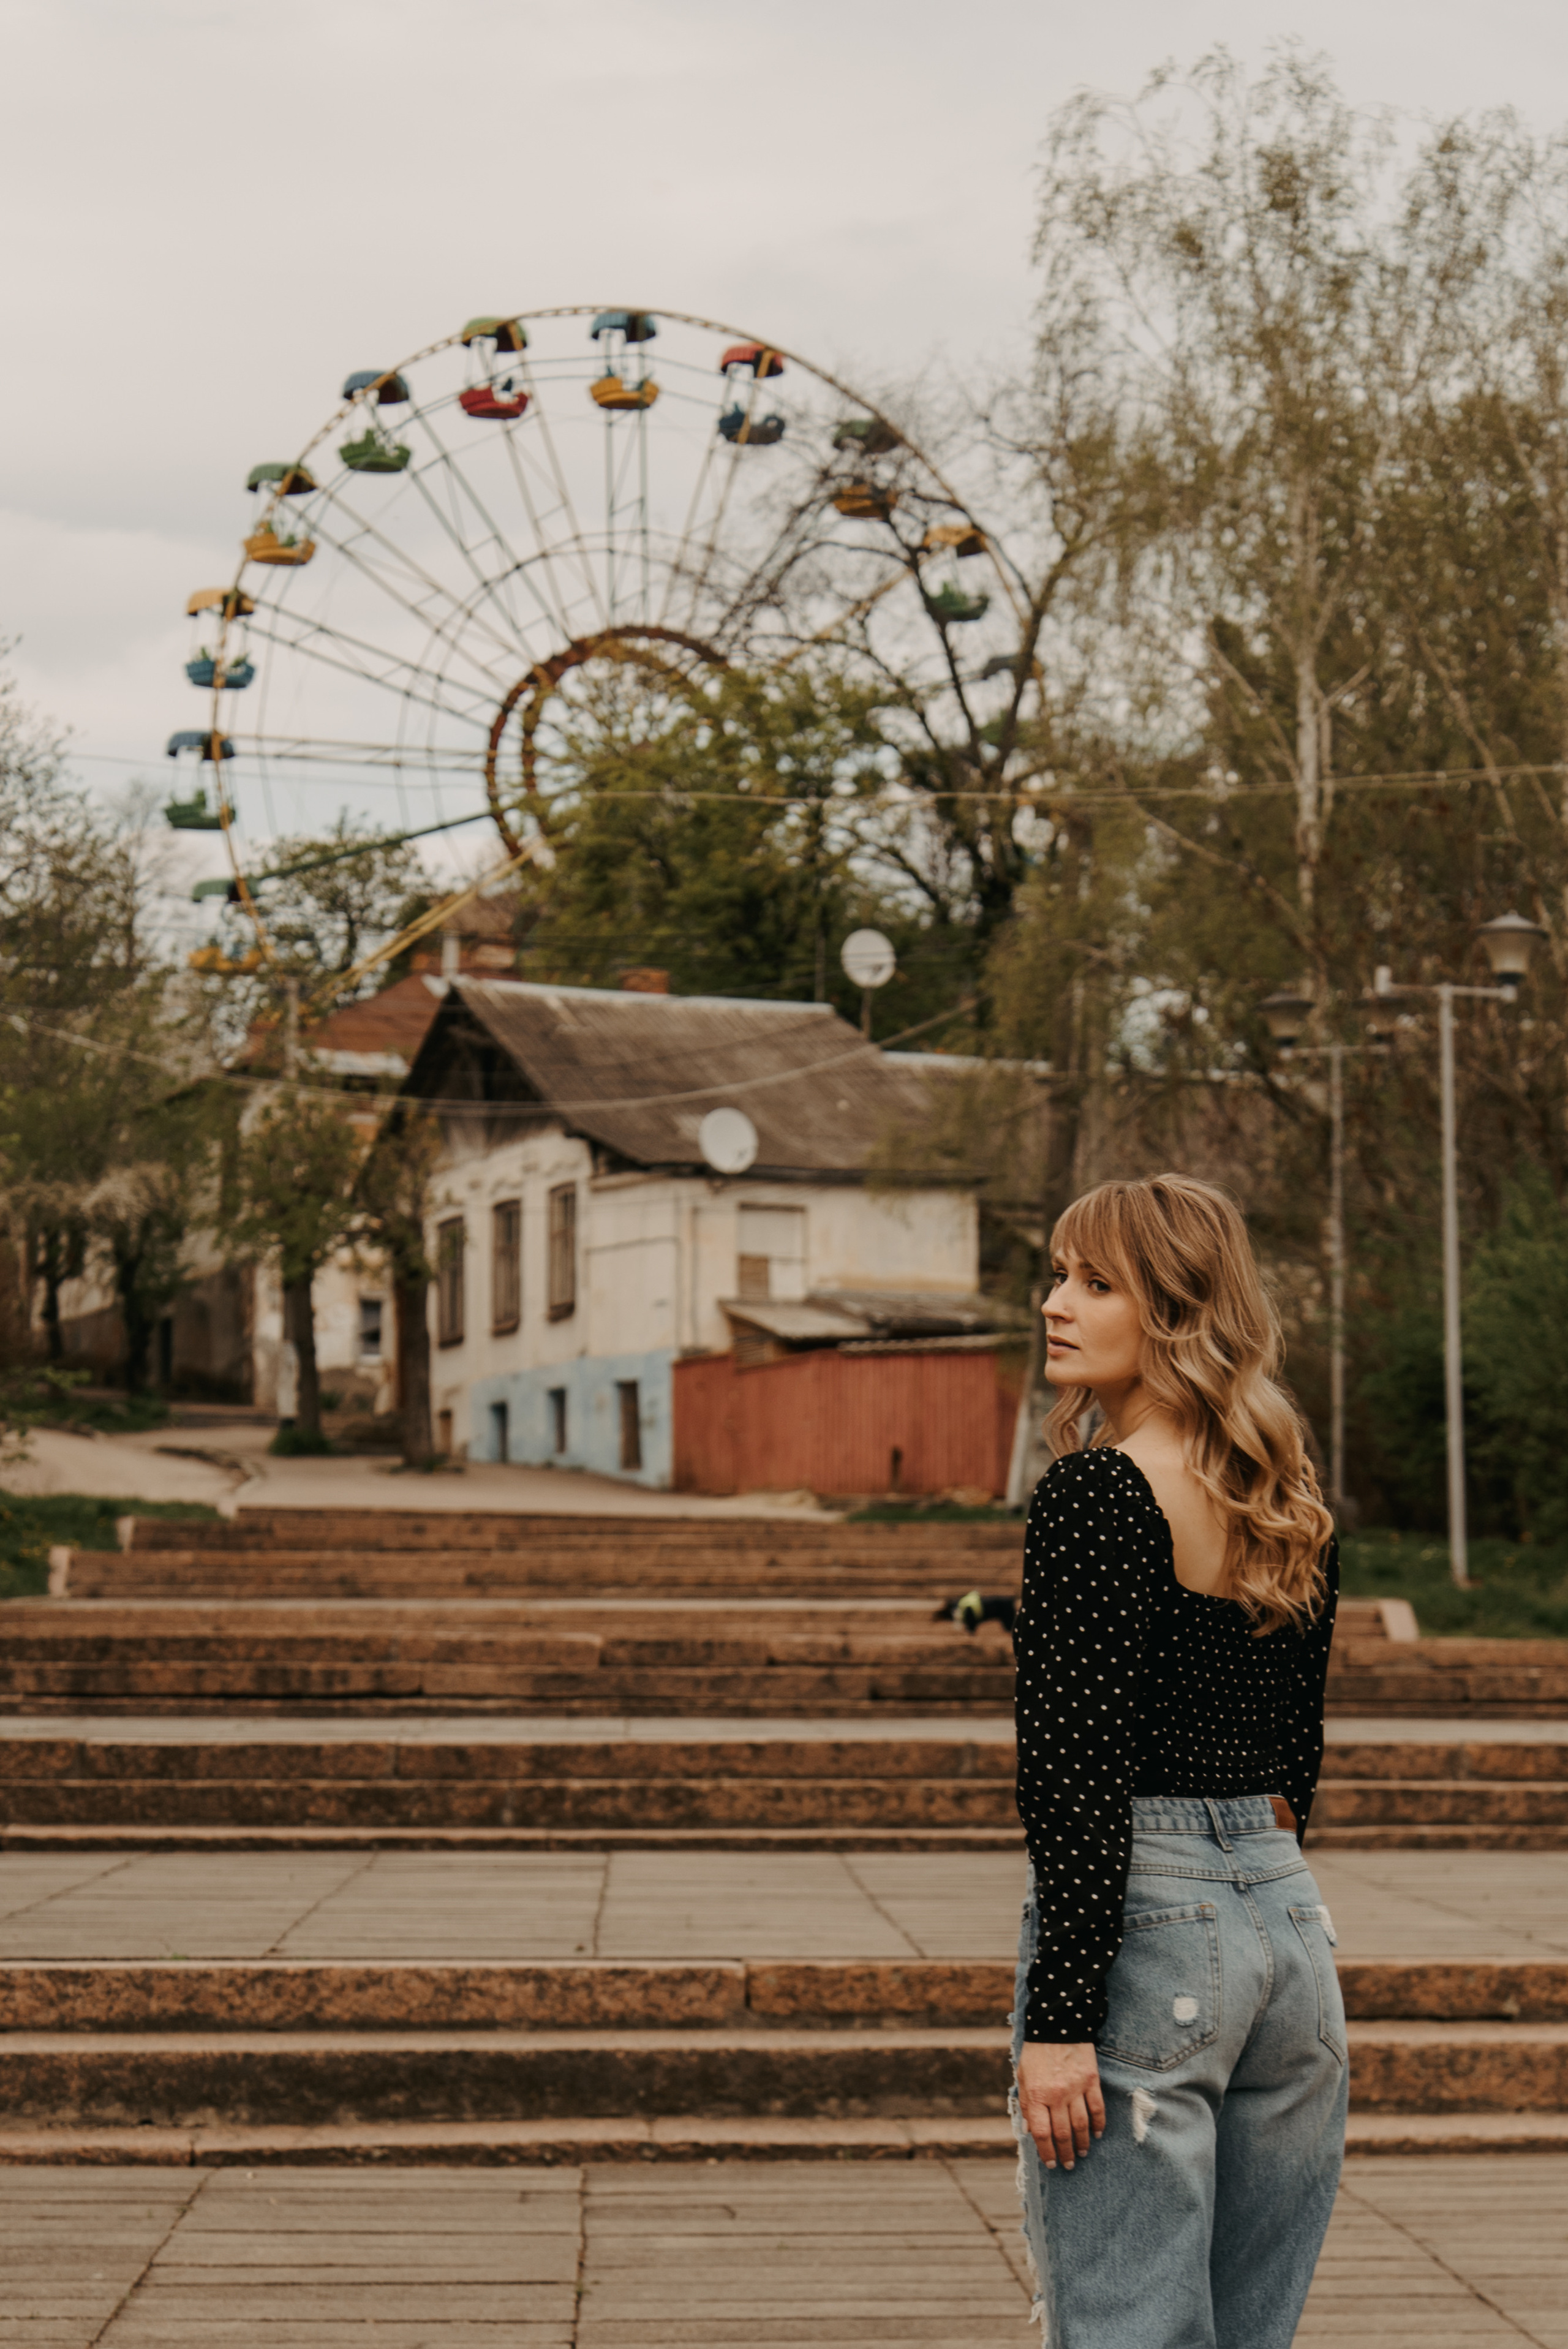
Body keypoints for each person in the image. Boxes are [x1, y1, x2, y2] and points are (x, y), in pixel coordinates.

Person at [1011, 1173, 1344, 2349]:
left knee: (1126, 2329)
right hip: (1289, 1939)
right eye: (1058, 1275)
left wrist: (1060, 2019)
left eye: (1097, 1284)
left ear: (1177, 1313)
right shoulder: (1283, 1497)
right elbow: (1294, 1757)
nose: (1056, 1302)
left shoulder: (1098, 1494)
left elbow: (1075, 1774)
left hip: (1148, 1931)